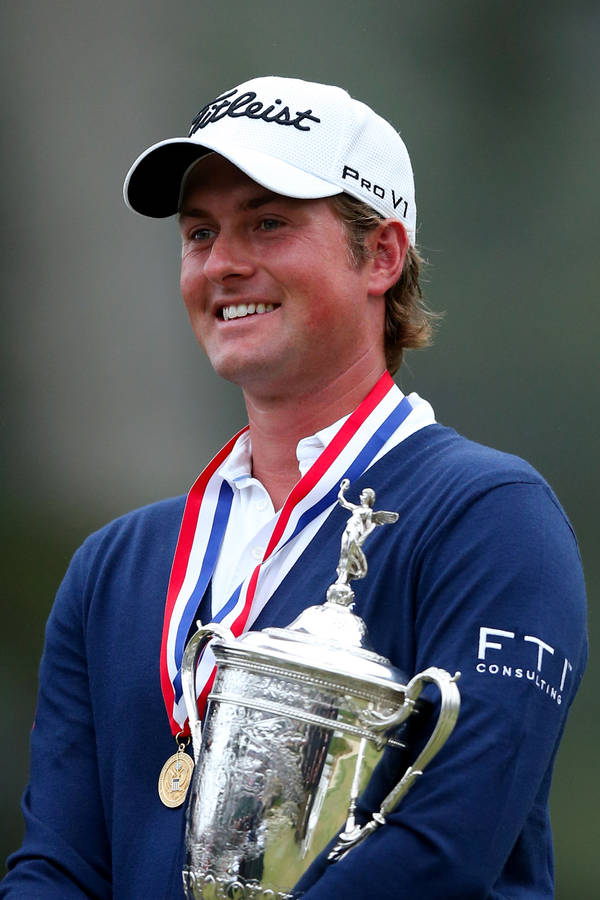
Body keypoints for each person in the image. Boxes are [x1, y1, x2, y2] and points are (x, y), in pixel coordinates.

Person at [1, 76, 587, 899]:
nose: (225, 264)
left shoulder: (491, 519)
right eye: (200, 232)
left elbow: (441, 851)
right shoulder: (114, 567)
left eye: (268, 224)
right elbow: (57, 866)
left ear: (381, 255)